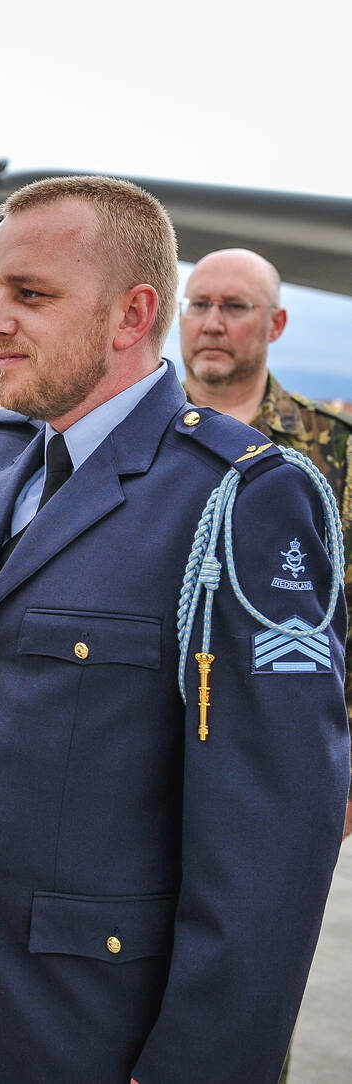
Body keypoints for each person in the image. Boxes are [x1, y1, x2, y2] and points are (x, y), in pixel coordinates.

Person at [0, 176, 349, 1083]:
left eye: (32, 294)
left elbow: (271, 843)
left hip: (77, 1027)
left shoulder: (239, 498)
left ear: (132, 315)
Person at [179, 247, 352, 845]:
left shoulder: (332, 447)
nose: (212, 323)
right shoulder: (132, 431)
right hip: (137, 742)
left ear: (275, 324)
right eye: (199, 305)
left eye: (235, 307)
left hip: (280, 753)